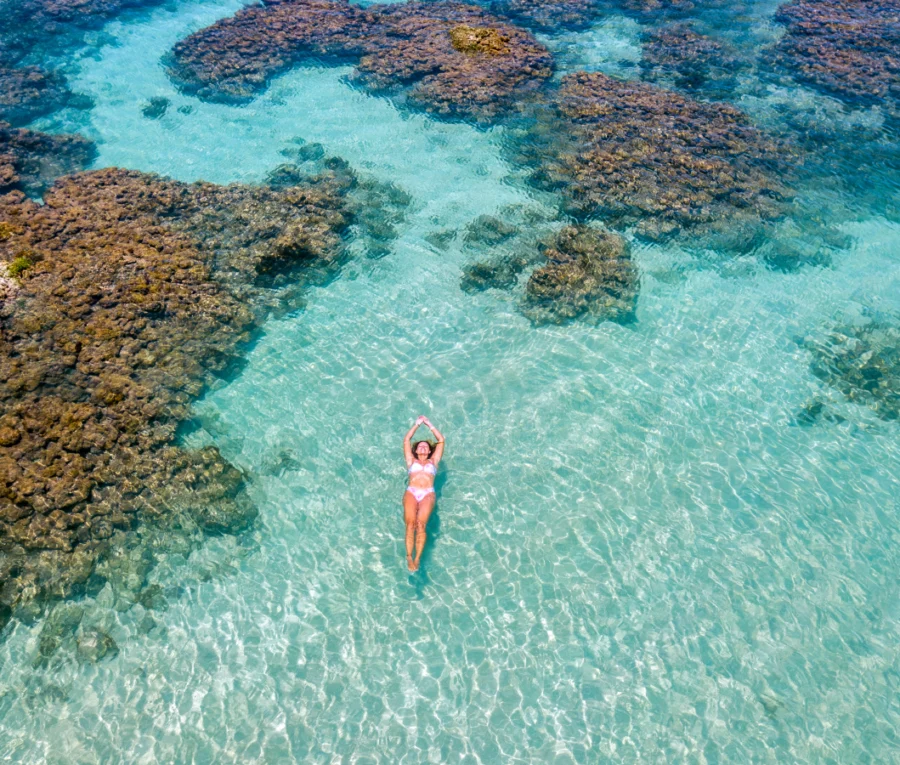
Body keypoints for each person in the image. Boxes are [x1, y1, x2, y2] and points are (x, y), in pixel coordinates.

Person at [402, 415, 445, 572]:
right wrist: (417, 424)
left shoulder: (434, 461)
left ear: (429, 450)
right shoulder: (410, 461)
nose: (422, 448)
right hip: (412, 492)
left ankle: (417, 558)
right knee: (410, 524)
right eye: (419, 446)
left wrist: (429, 424)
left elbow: (440, 440)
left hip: (428, 493)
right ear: (416, 450)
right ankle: (408, 556)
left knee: (421, 525)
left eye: (426, 446)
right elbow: (407, 440)